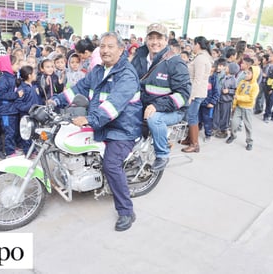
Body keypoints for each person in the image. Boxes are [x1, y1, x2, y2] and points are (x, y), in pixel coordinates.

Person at [51, 32, 142, 231]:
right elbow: (79, 88)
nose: (105, 50)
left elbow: (113, 106)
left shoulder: (127, 74)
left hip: (122, 129)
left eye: (110, 46)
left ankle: (127, 211)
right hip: (101, 123)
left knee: (111, 164)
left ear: (121, 50)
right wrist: (55, 101)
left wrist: (89, 120)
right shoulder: (98, 70)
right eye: (103, 46)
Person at [131, 23, 191, 170]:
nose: (154, 42)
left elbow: (183, 95)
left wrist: (157, 106)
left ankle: (162, 154)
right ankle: (133, 154)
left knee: (154, 118)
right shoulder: (139, 58)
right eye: (151, 38)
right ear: (146, 39)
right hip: (144, 106)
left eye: (159, 38)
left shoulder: (175, 62)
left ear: (166, 41)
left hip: (172, 110)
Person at [181, 36, 213, 153]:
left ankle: (194, 144)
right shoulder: (203, 57)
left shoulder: (200, 59)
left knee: (192, 116)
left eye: (194, 44)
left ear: (198, 45)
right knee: (192, 115)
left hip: (196, 92)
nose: (193, 47)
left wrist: (191, 95)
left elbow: (197, 79)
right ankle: (189, 138)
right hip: (198, 91)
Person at [226, 66, 260, 151]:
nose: (246, 75)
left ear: (254, 75)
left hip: (247, 108)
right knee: (234, 123)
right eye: (246, 73)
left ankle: (249, 142)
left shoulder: (255, 86)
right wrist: (234, 105)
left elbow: (251, 98)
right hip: (238, 107)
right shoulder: (242, 82)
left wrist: (239, 98)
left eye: (249, 73)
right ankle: (233, 135)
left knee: (248, 126)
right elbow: (237, 93)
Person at [0, 54, 23, 157]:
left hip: (13, 109)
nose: (18, 66)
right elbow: (1, 94)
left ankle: (15, 146)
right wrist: (16, 95)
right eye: (16, 64)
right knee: (9, 132)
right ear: (8, 65)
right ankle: (10, 151)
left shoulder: (13, 77)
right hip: (6, 111)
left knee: (14, 130)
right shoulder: (4, 79)